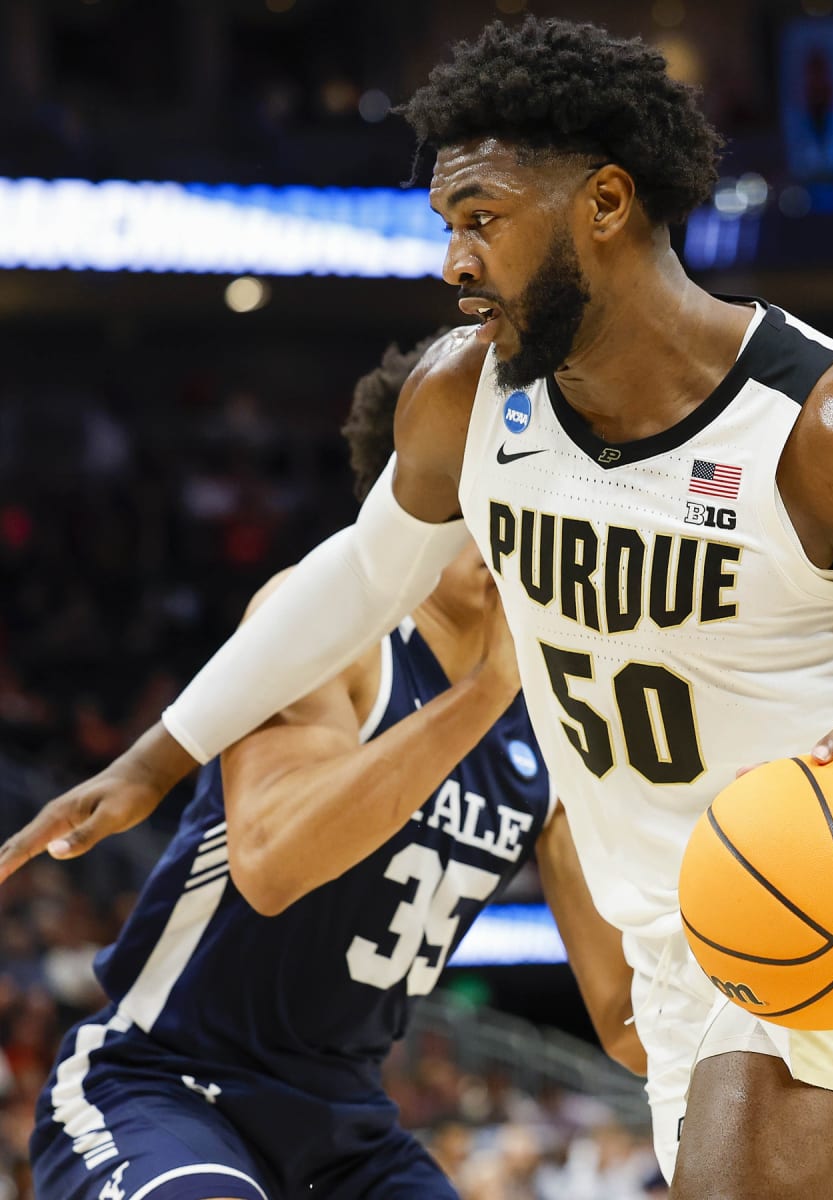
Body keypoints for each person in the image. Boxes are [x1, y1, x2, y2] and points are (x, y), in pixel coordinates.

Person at [1, 17, 833, 1200]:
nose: (454, 263)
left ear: (606, 205)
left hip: (832, 870)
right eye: (449, 227)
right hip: (682, 921)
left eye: (484, 220)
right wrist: (159, 759)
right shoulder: (466, 397)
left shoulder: (828, 425)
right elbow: (364, 575)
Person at [26, 333, 644, 1200]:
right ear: (419, 496)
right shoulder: (328, 633)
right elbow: (272, 866)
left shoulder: (553, 716)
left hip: (345, 1128)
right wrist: (484, 690)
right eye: (503, 474)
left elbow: (624, 1018)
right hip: (164, 1084)